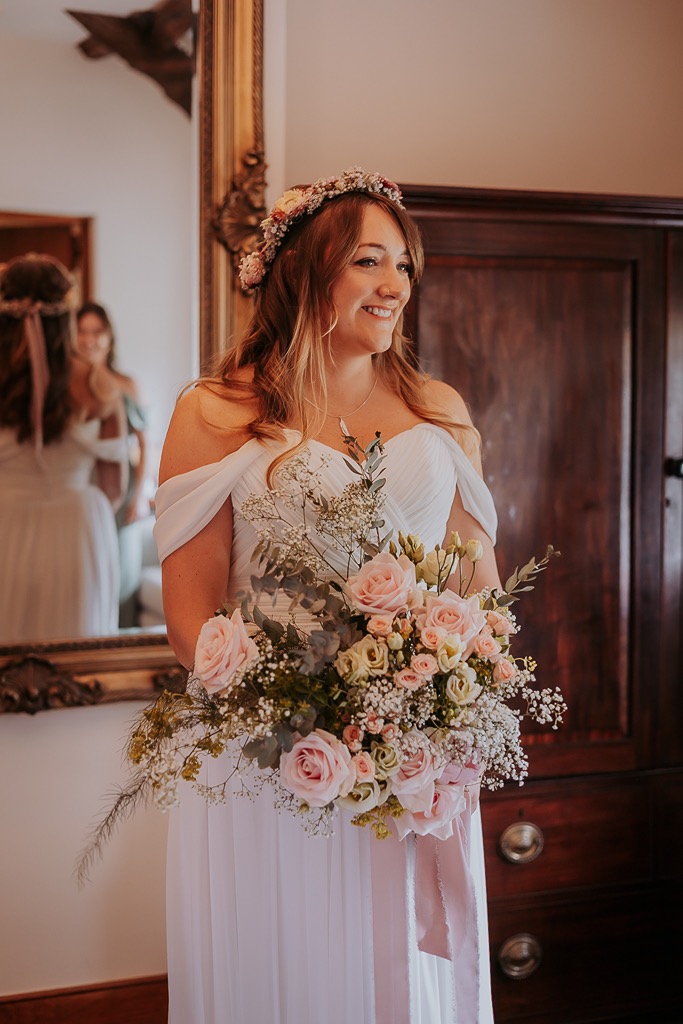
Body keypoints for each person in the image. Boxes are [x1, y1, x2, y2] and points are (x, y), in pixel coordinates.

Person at [155, 168, 500, 1024]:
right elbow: (189, 617)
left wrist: (434, 699)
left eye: (404, 265)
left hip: (409, 759)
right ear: (306, 271)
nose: (394, 285)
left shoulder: (439, 410)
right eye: (367, 261)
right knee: (289, 968)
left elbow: (477, 589)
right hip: (271, 759)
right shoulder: (216, 412)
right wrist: (295, 713)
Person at [0, 253, 128, 643]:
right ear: (65, 314)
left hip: (6, 521)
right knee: (74, 651)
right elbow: (114, 488)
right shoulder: (98, 384)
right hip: (78, 530)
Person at [75, 302, 149, 627]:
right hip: (80, 480)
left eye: (96, 332)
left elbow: (144, 443)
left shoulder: (125, 384)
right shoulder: (68, 386)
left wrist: (139, 495)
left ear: (108, 337)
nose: (89, 339)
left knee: (122, 566)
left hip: (123, 485)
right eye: (82, 332)